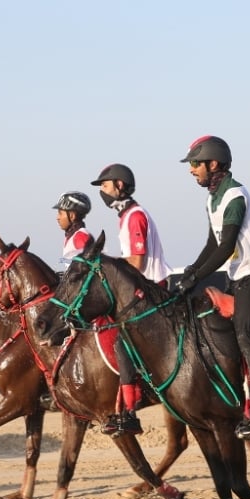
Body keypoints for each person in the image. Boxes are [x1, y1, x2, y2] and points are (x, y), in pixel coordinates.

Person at [172, 135, 250, 441]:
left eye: (195, 164)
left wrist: (197, 277)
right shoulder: (212, 198)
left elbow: (227, 246)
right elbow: (212, 244)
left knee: (245, 333)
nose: (191, 170)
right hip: (235, 278)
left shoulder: (235, 196)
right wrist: (191, 271)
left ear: (213, 163)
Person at [90, 163, 171, 435]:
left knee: (123, 343)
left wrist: (106, 265)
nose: (102, 191)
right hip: (140, 289)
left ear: (119, 185)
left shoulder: (134, 215)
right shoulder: (124, 216)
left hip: (150, 288)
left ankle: (130, 411)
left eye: (104, 185)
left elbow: (136, 261)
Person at [52, 191, 94, 260]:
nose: (57, 218)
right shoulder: (71, 236)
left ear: (72, 216)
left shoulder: (80, 236)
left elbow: (92, 263)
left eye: (60, 213)